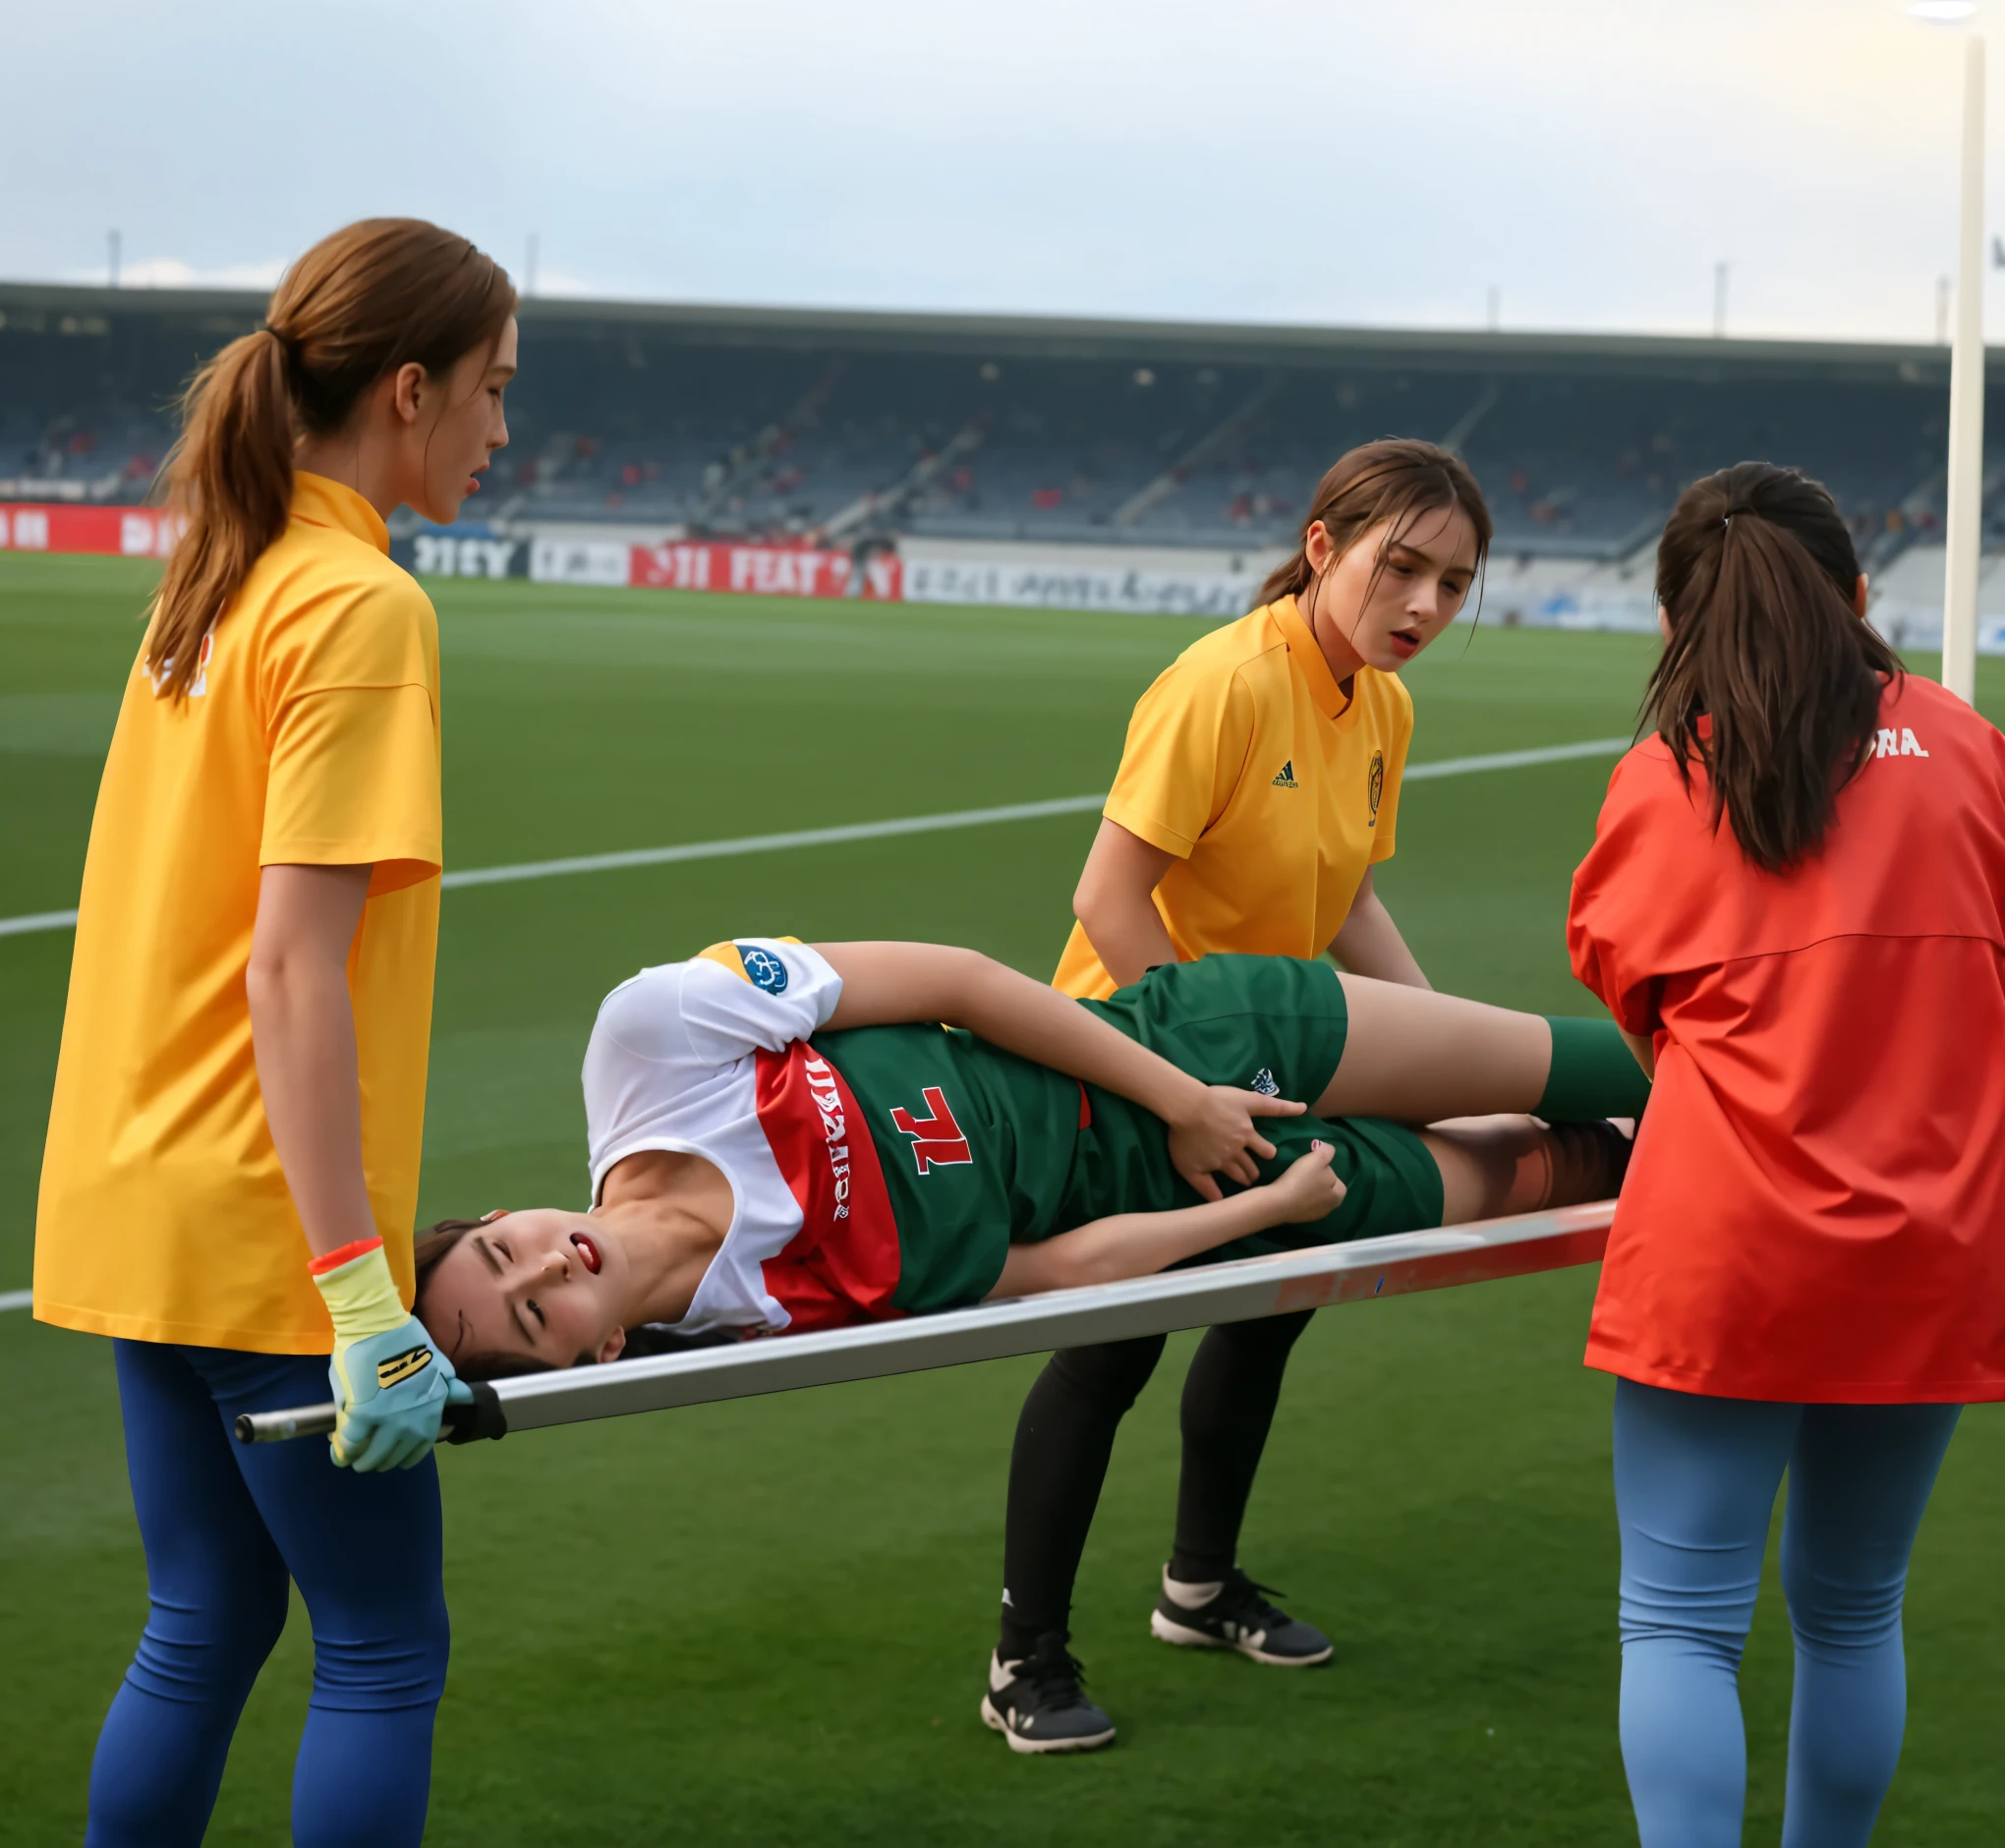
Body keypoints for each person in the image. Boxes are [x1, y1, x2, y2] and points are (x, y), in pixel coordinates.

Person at [32, 219, 516, 1848]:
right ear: (407, 390)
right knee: (381, 1652)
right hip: (266, 1239)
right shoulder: (359, 605)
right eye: (493, 391)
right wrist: (363, 1296)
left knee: (206, 1620)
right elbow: (296, 972)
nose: (501, 432)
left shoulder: (212, 578)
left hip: (134, 1202)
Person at [999, 438, 1490, 1749]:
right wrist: (1191, 1084)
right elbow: (1107, 898)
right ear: (1324, 547)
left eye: (1454, 584)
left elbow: (1352, 903)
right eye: (1404, 569)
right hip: (1131, 1062)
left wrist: (1449, 1051)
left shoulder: (1381, 704)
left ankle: (1199, 1588)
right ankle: (1023, 1660)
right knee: (1110, 1349)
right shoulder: (1222, 681)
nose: (1426, 607)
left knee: (1273, 1306)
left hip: (1266, 1070)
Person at [1567, 461, 2005, 1848]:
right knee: (1854, 1608)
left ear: (1673, 624)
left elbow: (1626, 984)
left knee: (1681, 1625)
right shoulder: (1976, 752)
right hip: (1932, 1242)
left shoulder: (1667, 774)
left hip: (1726, 1249)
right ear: (1863, 599)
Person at [407, 932, 1645, 1417]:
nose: (541, 1264)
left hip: (1199, 1048)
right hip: (1221, 1198)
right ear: (595, 1359)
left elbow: (960, 982)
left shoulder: (650, 1041)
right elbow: (1045, 1272)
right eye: (532, 1314)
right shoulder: (774, 1322)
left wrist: (1182, 1098)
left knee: (1628, 1063)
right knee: (1572, 1169)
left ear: (508, 1211)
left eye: (500, 1243)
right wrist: (1265, 1207)